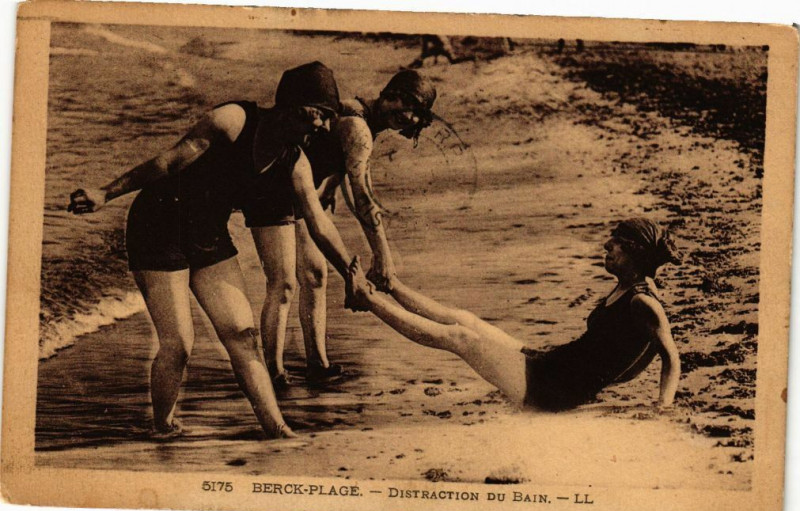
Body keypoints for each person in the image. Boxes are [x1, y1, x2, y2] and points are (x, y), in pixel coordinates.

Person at [67, 62, 360, 439]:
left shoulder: (294, 162)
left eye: (328, 118)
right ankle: (163, 427)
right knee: (178, 345)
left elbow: (319, 223)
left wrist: (352, 274)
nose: (322, 126)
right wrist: (105, 193)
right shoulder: (232, 121)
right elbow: (168, 162)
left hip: (207, 231)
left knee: (243, 334)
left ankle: (277, 429)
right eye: (319, 115)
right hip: (159, 224)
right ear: (293, 106)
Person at [346, 218, 682, 411]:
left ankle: (369, 300)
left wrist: (662, 407)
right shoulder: (628, 286)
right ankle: (391, 286)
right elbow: (634, 356)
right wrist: (612, 380)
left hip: (550, 390)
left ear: (635, 252)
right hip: (549, 366)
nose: (607, 245)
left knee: (460, 338)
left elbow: (670, 356)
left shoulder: (643, 302)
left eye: (616, 242)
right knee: (466, 320)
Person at [243, 69, 437, 387]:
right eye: (409, 107)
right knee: (284, 283)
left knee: (314, 275)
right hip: (277, 188)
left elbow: (337, 161)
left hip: (297, 191)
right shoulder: (360, 129)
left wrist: (330, 188)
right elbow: (363, 198)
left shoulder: (356, 112)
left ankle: (316, 364)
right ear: (391, 95)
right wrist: (383, 257)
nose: (411, 119)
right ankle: (274, 372)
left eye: (419, 114)